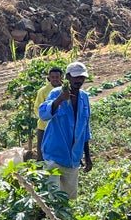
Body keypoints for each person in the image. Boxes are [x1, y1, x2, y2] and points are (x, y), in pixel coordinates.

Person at [38, 61, 93, 199]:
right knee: (52, 197)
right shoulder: (56, 93)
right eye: (75, 77)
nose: (79, 80)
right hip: (54, 155)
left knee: (70, 198)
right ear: (68, 77)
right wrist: (60, 99)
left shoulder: (84, 98)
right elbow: (43, 114)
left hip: (72, 159)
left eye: (81, 77)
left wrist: (87, 156)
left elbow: (85, 130)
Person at [34, 66, 63, 161]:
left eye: (57, 77)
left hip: (61, 128)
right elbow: (37, 108)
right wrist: (46, 117)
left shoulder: (66, 90)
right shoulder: (43, 91)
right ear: (49, 78)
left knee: (60, 153)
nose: (55, 79)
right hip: (44, 128)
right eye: (53, 77)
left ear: (61, 77)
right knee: (41, 156)